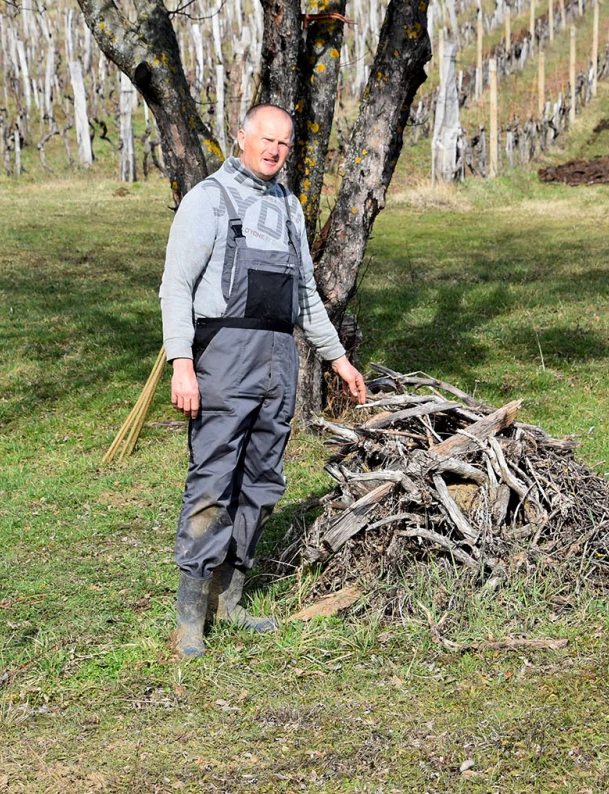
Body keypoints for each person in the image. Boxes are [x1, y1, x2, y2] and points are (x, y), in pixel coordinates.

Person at [159, 103, 367, 659]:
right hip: (222, 357)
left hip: (280, 359)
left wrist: (337, 358)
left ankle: (231, 602)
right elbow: (175, 285)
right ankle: (190, 620)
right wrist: (182, 361)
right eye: (265, 139)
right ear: (242, 137)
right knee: (212, 479)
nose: (274, 150)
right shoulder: (209, 199)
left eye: (284, 144)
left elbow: (305, 295)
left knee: (263, 482)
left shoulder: (290, 209)